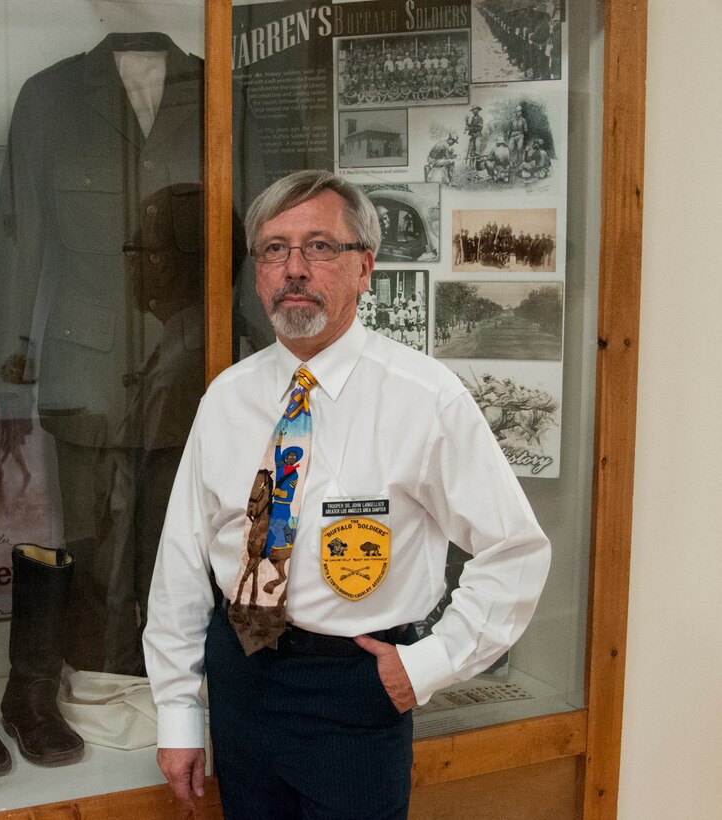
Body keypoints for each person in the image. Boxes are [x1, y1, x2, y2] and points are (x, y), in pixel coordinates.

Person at [143, 170, 550, 819]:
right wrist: (177, 713)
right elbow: (183, 564)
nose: (294, 268)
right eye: (274, 249)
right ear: (257, 275)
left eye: (320, 247)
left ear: (365, 267)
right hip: (241, 681)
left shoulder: (425, 398)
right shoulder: (226, 398)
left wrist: (429, 664)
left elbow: (516, 550)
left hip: (354, 687)